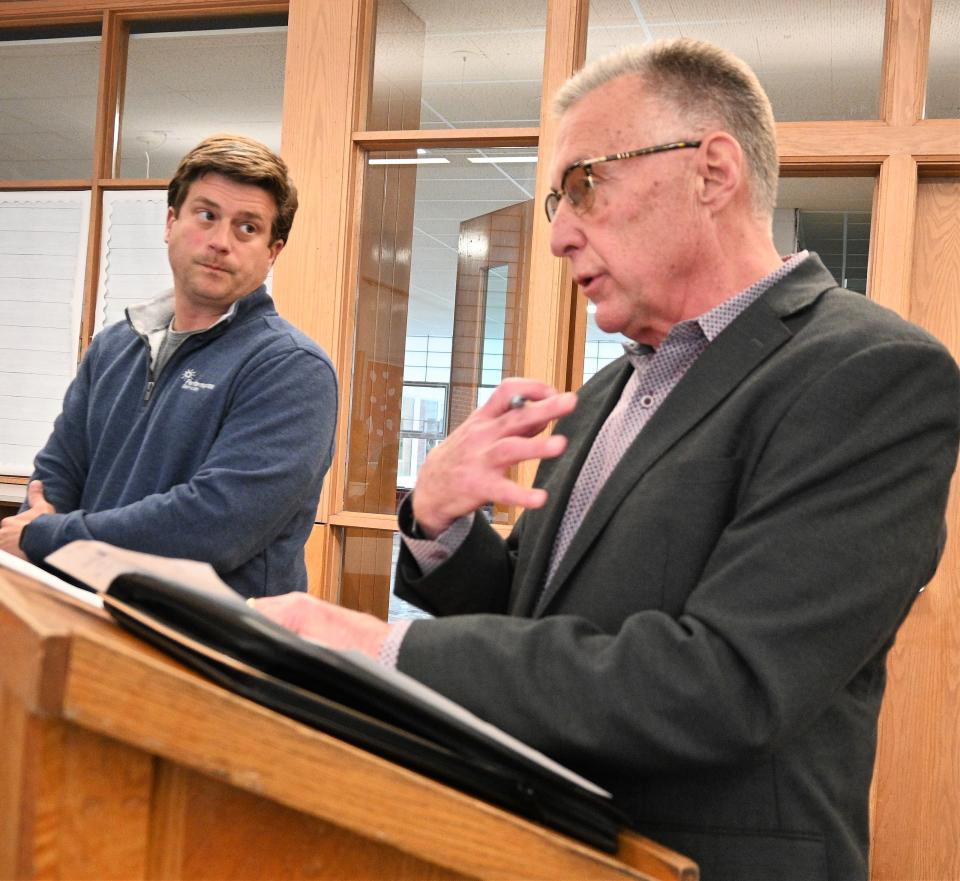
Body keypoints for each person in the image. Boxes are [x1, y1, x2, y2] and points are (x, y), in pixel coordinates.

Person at [254, 40, 959, 880]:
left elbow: (727, 682)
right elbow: (539, 628)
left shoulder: (869, 374)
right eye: (556, 199)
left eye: (584, 185)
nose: (555, 235)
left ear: (713, 171)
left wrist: (380, 647)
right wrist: (438, 525)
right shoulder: (602, 394)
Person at [0, 134, 337, 599]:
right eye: (207, 215)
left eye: (247, 228)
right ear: (171, 222)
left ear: (272, 251)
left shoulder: (291, 369)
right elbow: (54, 478)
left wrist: (47, 537)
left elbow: (215, 526)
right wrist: (39, 527)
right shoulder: (114, 346)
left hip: (207, 652)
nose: (221, 242)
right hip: (84, 623)